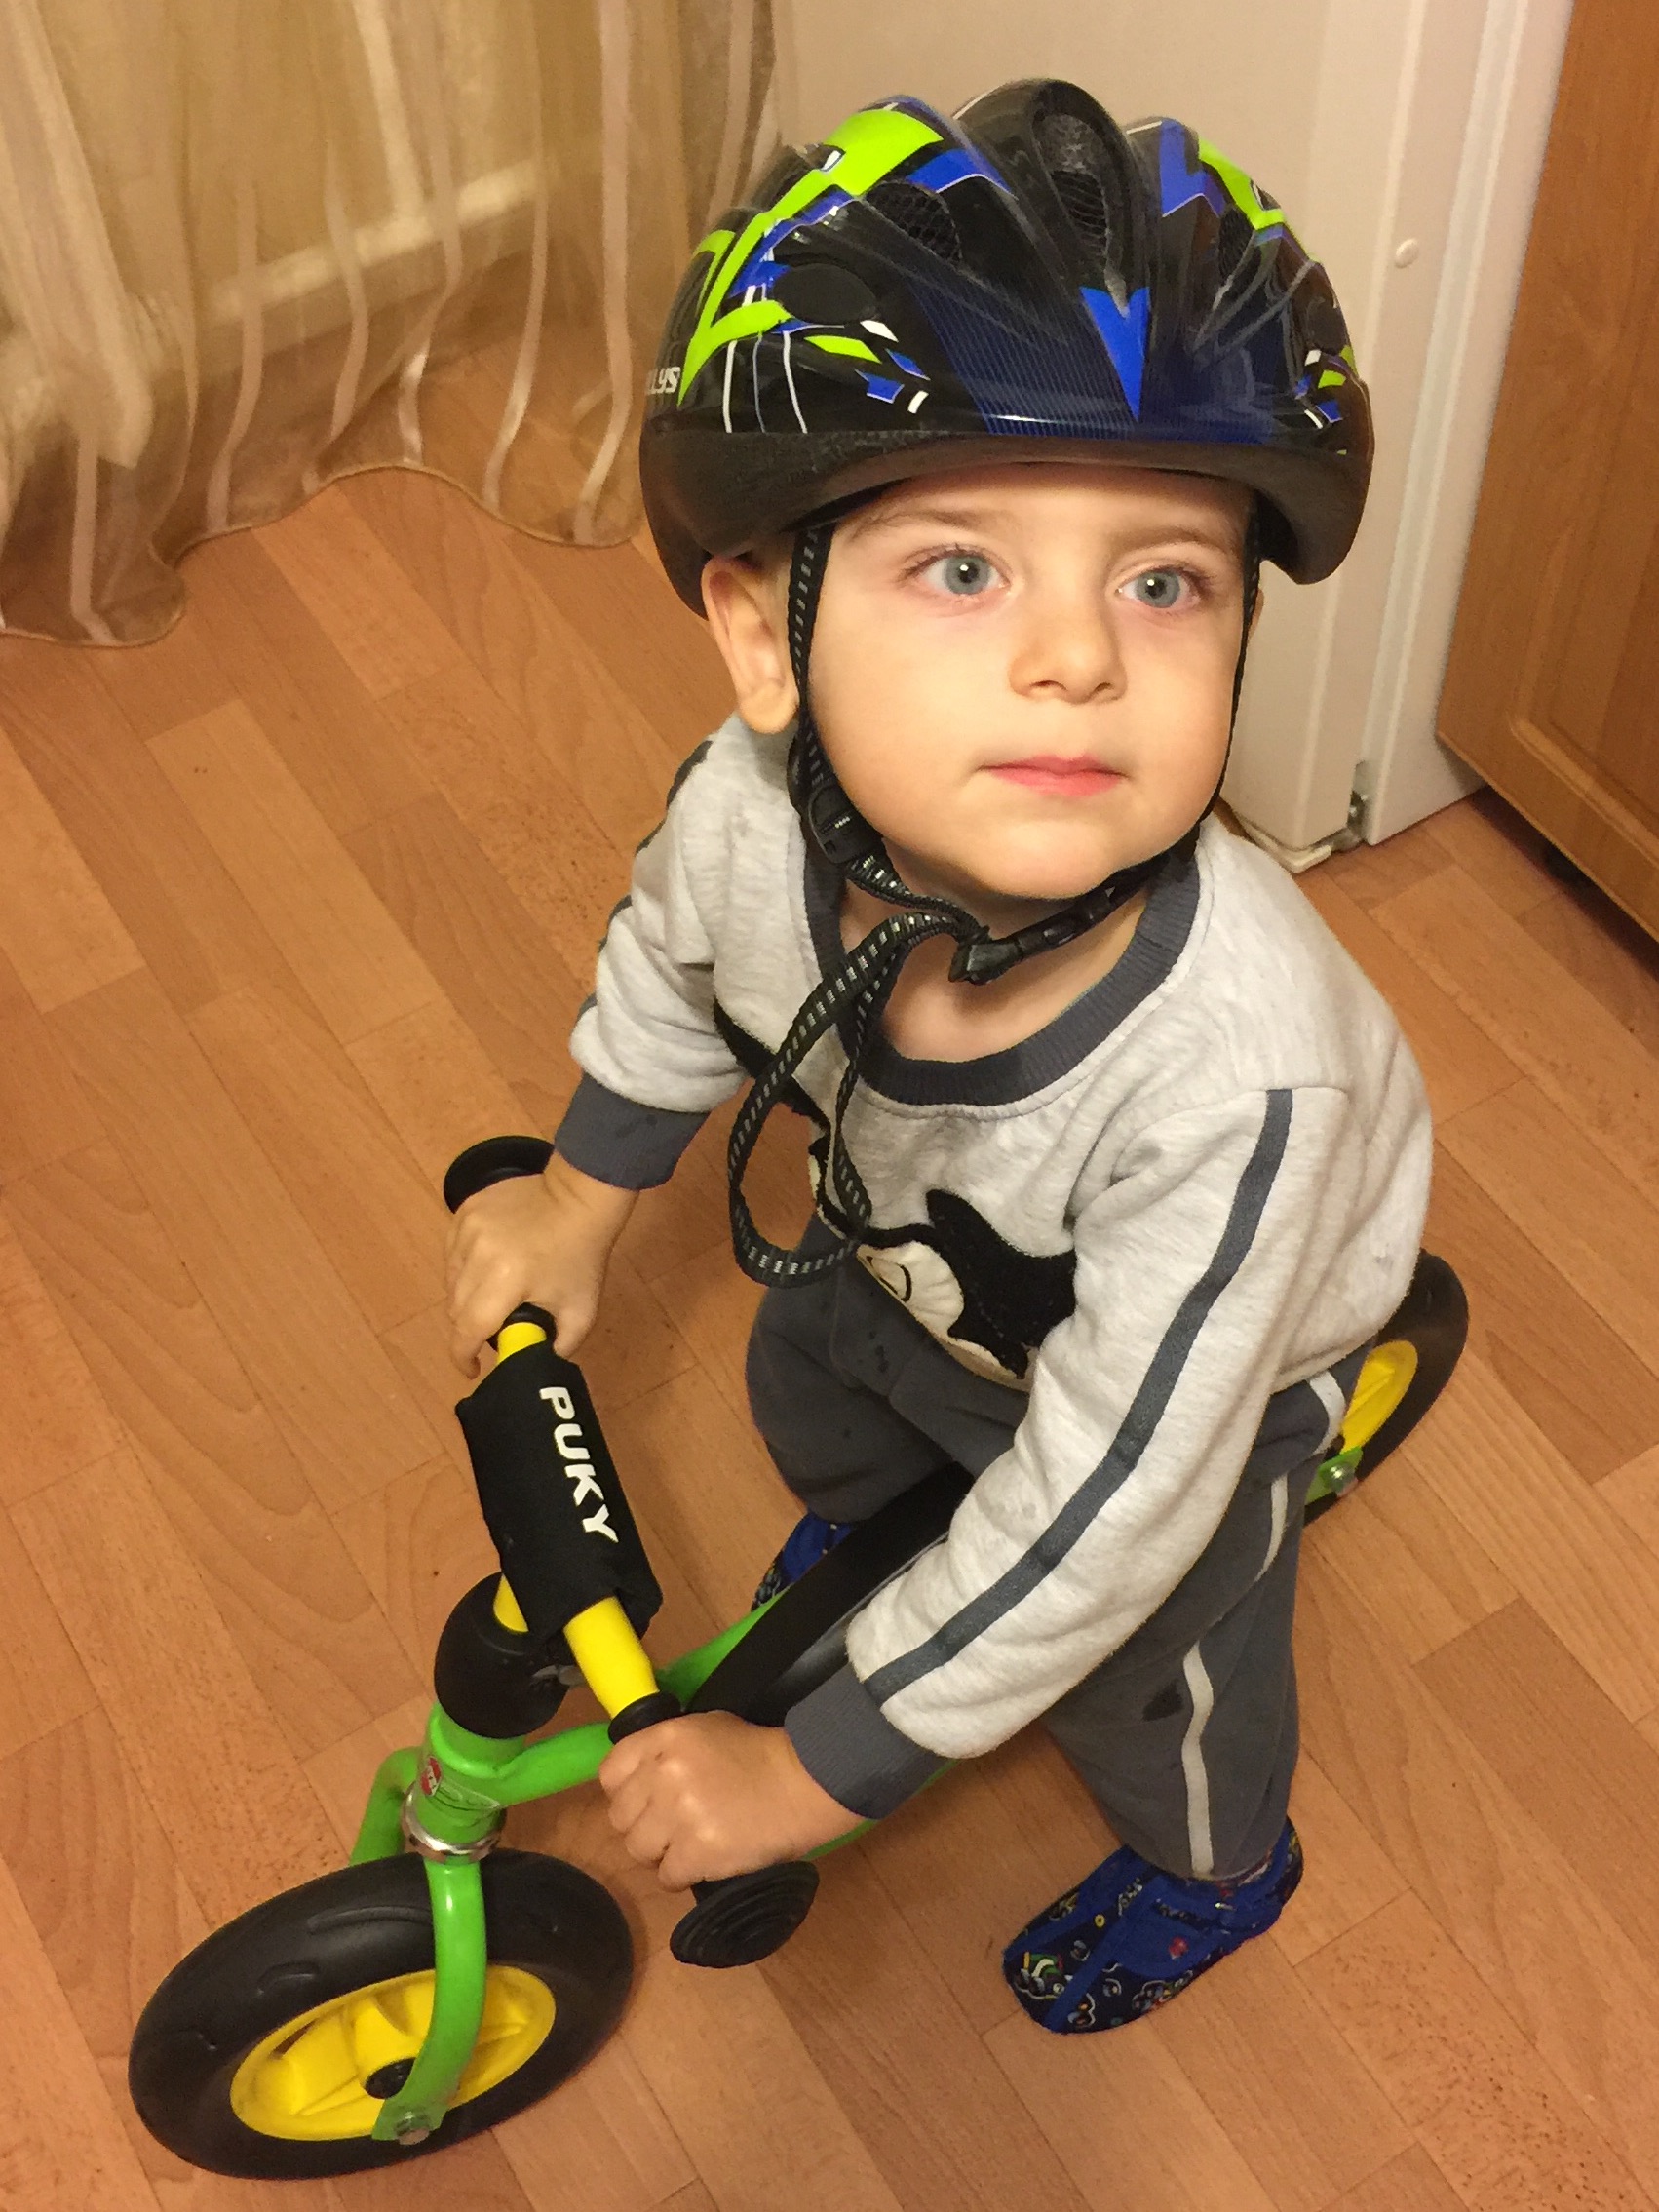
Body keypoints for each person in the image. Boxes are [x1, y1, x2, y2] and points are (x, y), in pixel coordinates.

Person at [444, 81, 1431, 2033]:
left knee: (1146, 1654)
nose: (1078, 656)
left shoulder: (1235, 1080)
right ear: (761, 634)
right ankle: (900, 1563)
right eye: (963, 568)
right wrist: (577, 1194)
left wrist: (817, 1772)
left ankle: (1218, 1865)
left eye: (1162, 581)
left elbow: (1103, 1500)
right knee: (804, 1373)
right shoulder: (745, 813)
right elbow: (672, 970)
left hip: (1181, 1395)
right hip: (918, 1247)